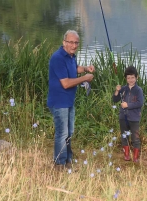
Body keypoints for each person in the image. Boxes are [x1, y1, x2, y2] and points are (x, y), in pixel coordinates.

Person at [47, 30, 95, 170]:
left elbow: (74, 68)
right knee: (62, 133)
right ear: (64, 43)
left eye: (76, 43)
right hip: (59, 102)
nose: (74, 45)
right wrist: (85, 78)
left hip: (68, 101)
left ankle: (68, 159)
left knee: (69, 132)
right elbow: (66, 83)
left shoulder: (71, 56)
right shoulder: (58, 58)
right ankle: (59, 164)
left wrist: (86, 68)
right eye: (71, 42)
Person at [113, 66, 144, 162]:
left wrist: (128, 105)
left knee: (135, 138)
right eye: (128, 78)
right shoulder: (123, 89)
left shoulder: (138, 90)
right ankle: (126, 155)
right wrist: (117, 91)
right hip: (123, 117)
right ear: (126, 78)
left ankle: (135, 157)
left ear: (136, 77)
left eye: (132, 77)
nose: (130, 80)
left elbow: (140, 103)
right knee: (124, 136)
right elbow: (115, 100)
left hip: (134, 118)